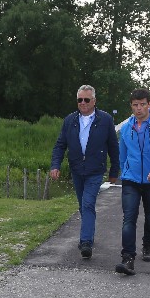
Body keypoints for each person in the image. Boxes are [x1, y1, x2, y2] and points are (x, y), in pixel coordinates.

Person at [50, 85, 120, 259]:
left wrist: (114, 171)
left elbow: (113, 146)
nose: (82, 103)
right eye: (79, 100)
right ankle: (89, 233)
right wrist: (55, 165)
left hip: (95, 170)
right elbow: (60, 145)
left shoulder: (105, 120)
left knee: (88, 203)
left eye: (86, 99)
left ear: (94, 101)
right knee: (83, 205)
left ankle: (86, 242)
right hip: (76, 169)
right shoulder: (70, 120)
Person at [114, 88, 150, 276]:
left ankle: (147, 245)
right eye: (135, 105)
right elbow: (122, 155)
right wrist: (124, 172)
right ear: (131, 106)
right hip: (130, 179)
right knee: (129, 217)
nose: (138, 108)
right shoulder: (126, 128)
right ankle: (128, 258)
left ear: (149, 104)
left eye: (142, 104)